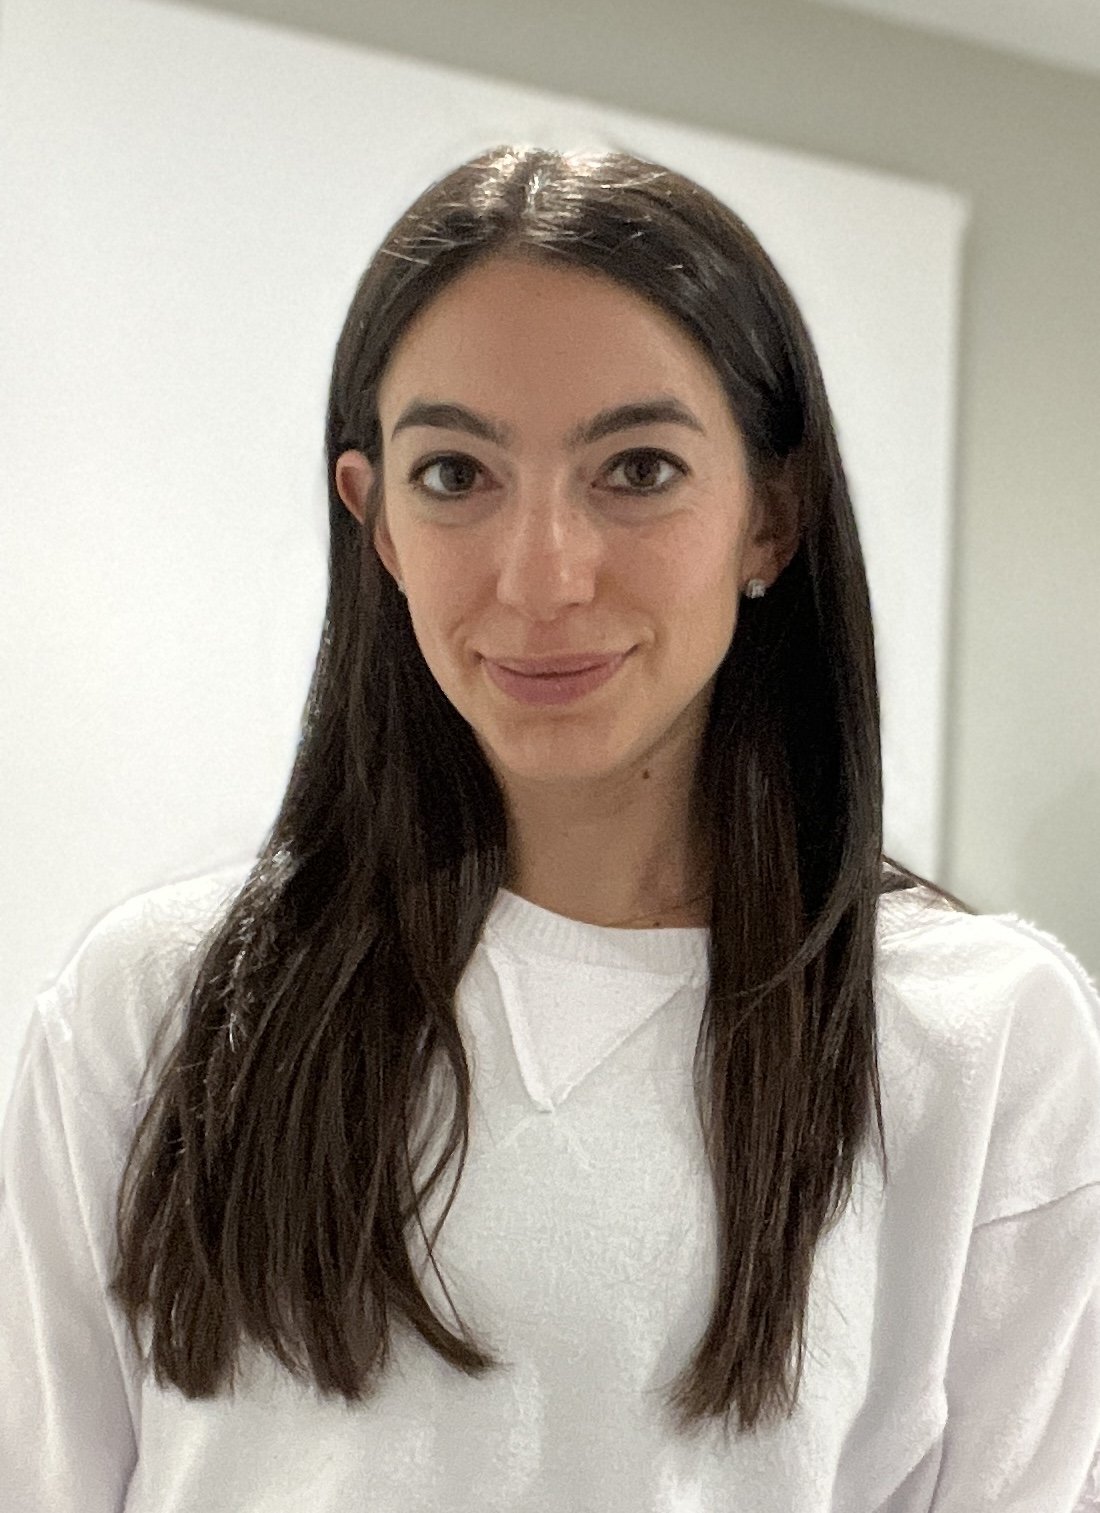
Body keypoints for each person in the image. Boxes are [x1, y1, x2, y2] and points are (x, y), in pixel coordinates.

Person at [2, 144, 1099, 1513]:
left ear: (772, 516)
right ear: (378, 522)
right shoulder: (153, 1003)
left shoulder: (981, 1041)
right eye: (456, 474)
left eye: (636, 469)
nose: (541, 577)